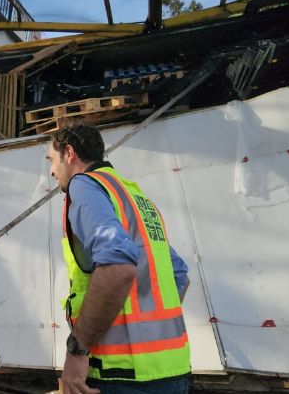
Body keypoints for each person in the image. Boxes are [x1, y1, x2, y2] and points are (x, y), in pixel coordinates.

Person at [46, 123, 191, 394]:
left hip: (121, 375)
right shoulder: (132, 194)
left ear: (69, 153)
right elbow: (178, 274)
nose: (52, 172)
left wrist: (77, 349)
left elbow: (117, 267)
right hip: (173, 370)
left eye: (51, 161)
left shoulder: (85, 186)